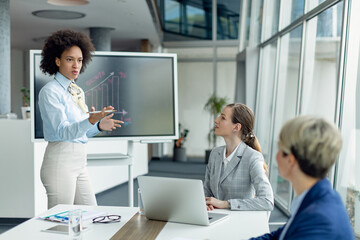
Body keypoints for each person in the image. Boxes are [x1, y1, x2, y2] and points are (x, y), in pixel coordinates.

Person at [38, 29, 123, 209]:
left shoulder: (77, 91)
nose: (76, 65)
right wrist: (90, 120)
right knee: (61, 223)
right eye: (70, 59)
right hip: (60, 161)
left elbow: (80, 132)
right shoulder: (50, 91)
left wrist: (99, 125)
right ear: (57, 60)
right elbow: (63, 132)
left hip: (79, 162)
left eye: (79, 60)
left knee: (90, 214)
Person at [250, 115, 355, 240]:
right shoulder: (317, 198)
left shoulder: (318, 219)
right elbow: (279, 236)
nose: (276, 157)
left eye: (279, 149)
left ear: (290, 160)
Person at [204, 103, 274, 211]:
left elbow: (267, 201)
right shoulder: (215, 153)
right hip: (214, 218)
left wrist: (226, 204)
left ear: (236, 127)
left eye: (222, 118)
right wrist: (206, 204)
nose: (216, 120)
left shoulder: (252, 157)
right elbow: (207, 192)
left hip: (239, 221)